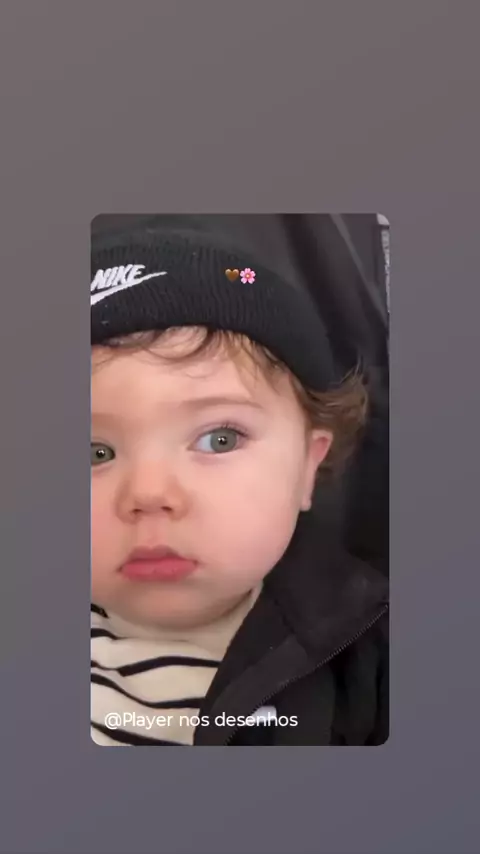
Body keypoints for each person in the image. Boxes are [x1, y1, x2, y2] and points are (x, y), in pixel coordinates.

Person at [90, 223, 389, 746]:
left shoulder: (369, 659)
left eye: (220, 439)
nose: (149, 494)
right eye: (95, 453)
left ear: (307, 467)